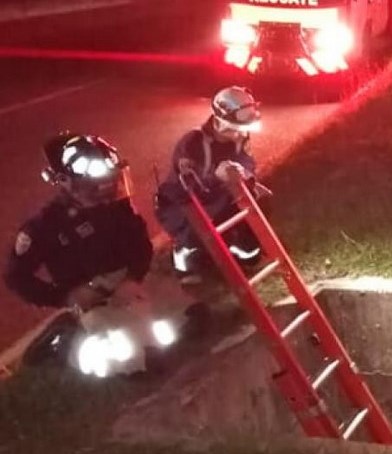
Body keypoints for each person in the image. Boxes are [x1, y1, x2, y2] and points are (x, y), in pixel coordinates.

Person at [4, 133, 191, 377]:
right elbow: (16, 276)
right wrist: (68, 296)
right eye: (95, 187)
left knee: (190, 319)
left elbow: (140, 245)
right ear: (66, 182)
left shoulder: (117, 207)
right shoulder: (45, 226)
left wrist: (132, 277)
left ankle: (137, 334)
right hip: (91, 299)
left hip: (128, 283)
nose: (106, 192)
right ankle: (66, 344)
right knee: (132, 364)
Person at [154, 86, 267, 283]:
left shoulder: (239, 136)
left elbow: (247, 160)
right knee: (201, 248)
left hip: (218, 194)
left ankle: (244, 250)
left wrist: (244, 174)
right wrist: (217, 176)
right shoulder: (193, 143)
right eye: (238, 128)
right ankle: (185, 256)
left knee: (262, 199)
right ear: (222, 121)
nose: (243, 133)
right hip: (183, 202)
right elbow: (191, 183)